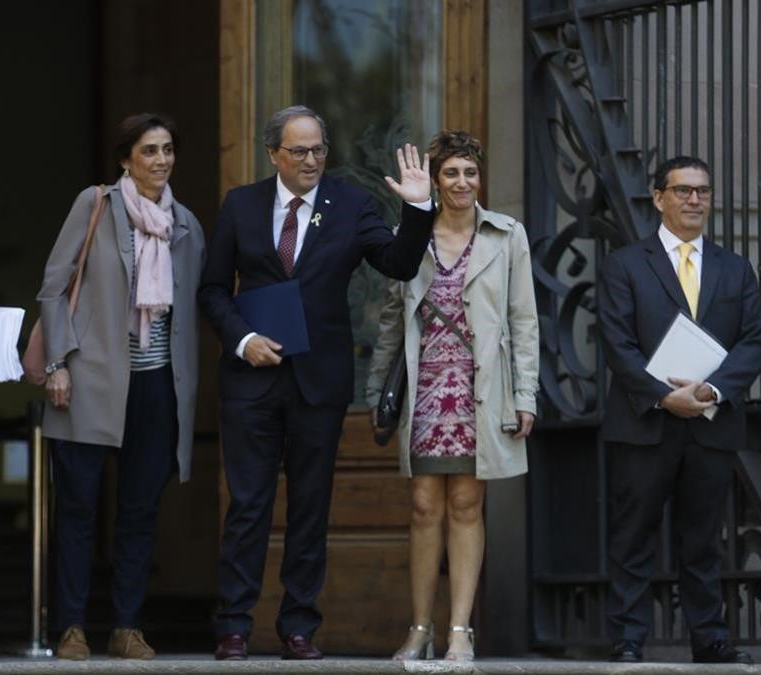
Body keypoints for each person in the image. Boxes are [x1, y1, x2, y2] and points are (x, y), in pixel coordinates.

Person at [198, 105, 435, 661]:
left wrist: (419, 206)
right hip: (251, 378)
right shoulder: (241, 205)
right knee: (249, 506)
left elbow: (398, 265)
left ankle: (299, 626)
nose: (311, 160)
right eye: (299, 151)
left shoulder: (351, 206)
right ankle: (233, 625)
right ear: (273, 154)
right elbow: (211, 290)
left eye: (319, 150)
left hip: (318, 382)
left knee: (310, 505)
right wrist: (241, 339)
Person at [36, 113, 204, 661]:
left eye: (168, 149)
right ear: (125, 159)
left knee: (138, 511)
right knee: (79, 509)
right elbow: (53, 289)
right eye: (149, 150)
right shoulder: (96, 206)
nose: (161, 160)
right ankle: (71, 627)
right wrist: (57, 362)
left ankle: (127, 626)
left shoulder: (185, 226)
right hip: (86, 382)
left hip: (156, 388)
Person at [365, 130, 538, 661]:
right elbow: (392, 322)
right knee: (422, 506)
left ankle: (460, 630)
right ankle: (420, 628)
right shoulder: (410, 235)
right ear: (436, 182)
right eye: (451, 174)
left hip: (479, 386)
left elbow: (523, 319)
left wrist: (526, 393)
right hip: (425, 383)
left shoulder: (507, 235)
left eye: (470, 172)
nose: (462, 183)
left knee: (466, 503)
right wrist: (377, 389)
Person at [598, 156, 761, 665]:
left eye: (703, 192)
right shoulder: (625, 264)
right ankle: (628, 638)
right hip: (645, 422)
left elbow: (754, 340)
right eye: (683, 190)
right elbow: (617, 341)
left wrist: (713, 392)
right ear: (658, 197)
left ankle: (709, 638)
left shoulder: (735, 268)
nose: (694, 200)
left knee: (703, 540)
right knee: (633, 537)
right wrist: (660, 395)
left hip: (711, 424)